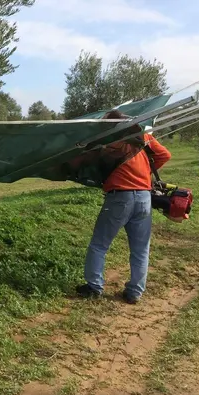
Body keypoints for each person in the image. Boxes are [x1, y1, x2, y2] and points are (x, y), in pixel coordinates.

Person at [76, 110, 171, 304]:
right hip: (145, 197)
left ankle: (94, 286)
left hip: (120, 198)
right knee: (140, 249)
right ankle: (135, 292)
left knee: (99, 245)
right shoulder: (141, 136)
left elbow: (83, 161)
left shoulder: (105, 140)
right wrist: (146, 172)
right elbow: (164, 155)